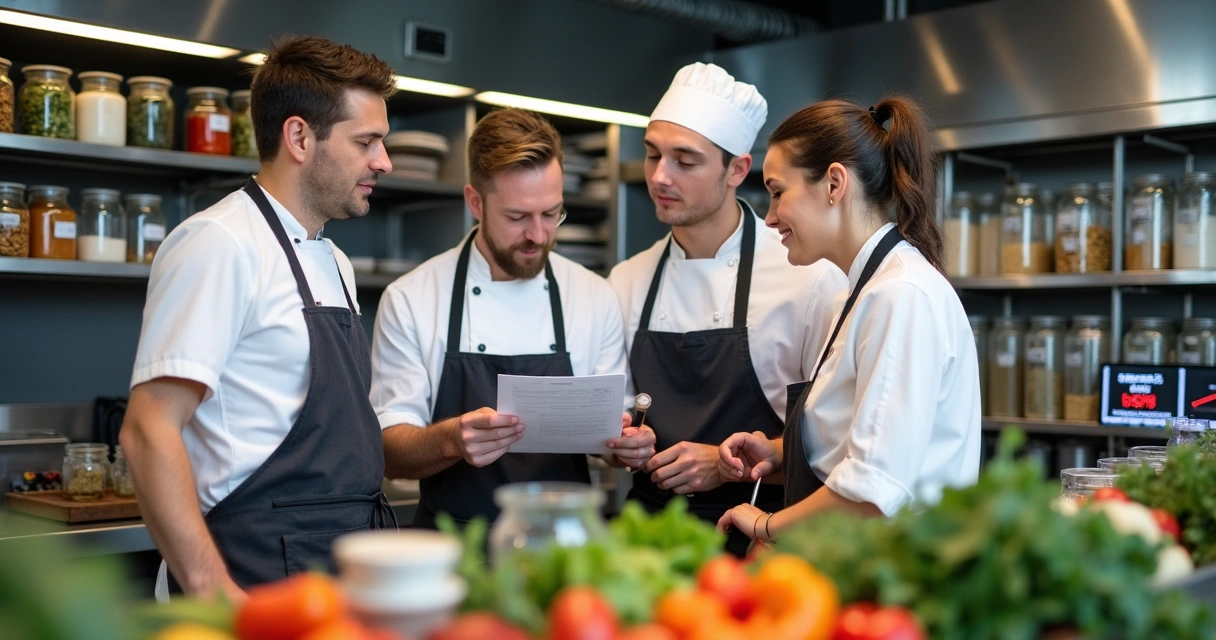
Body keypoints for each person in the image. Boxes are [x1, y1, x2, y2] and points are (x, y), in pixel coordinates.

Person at [120, 36, 398, 598]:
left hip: (333, 572)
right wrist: (213, 590)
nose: (383, 161)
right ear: (298, 136)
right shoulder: (218, 243)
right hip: (251, 575)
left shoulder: (334, 260)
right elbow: (148, 430)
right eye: (365, 141)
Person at [716, 97, 982, 543]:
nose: (771, 217)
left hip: (897, 571)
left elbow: (871, 492)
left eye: (778, 192)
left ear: (835, 183)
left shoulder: (899, 296)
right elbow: (869, 434)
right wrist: (781, 452)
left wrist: (765, 526)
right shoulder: (862, 292)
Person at [372, 108, 654, 528]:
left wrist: (626, 446)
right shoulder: (412, 297)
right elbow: (391, 454)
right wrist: (451, 439)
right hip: (454, 548)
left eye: (551, 214)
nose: (538, 235)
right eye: (518, 217)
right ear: (475, 202)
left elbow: (611, 431)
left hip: (564, 549)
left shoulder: (594, 296)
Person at [607, 63, 847, 556]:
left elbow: (837, 446)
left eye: (685, 161)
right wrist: (617, 442)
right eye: (652, 155)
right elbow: (615, 417)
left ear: (737, 169)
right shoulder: (627, 279)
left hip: (762, 536)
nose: (659, 176)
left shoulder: (808, 276)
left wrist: (724, 462)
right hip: (646, 540)